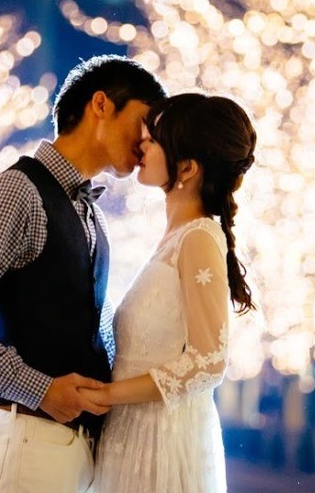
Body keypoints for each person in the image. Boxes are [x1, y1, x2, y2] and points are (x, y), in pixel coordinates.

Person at [0, 55, 166, 493]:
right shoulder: (19, 191)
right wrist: (39, 389)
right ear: (101, 105)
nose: (148, 138)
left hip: (72, 449)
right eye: (144, 120)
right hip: (27, 441)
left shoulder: (88, 211)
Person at [82, 92, 257, 492]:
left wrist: (109, 394)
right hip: (131, 435)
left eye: (155, 139)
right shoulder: (173, 238)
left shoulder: (197, 238)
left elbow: (209, 361)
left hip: (158, 441)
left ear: (188, 167)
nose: (142, 143)